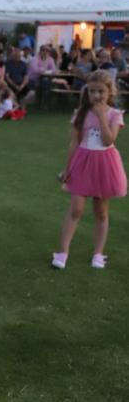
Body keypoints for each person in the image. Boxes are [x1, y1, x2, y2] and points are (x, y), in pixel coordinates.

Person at [52, 71, 126, 270]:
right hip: (82, 163)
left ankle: (98, 254)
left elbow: (108, 140)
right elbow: (74, 143)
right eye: (92, 91)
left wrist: (101, 116)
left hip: (105, 165)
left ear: (110, 92)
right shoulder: (81, 113)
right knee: (76, 209)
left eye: (101, 91)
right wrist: (67, 169)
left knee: (101, 212)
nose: (96, 95)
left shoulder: (114, 114)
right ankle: (63, 252)